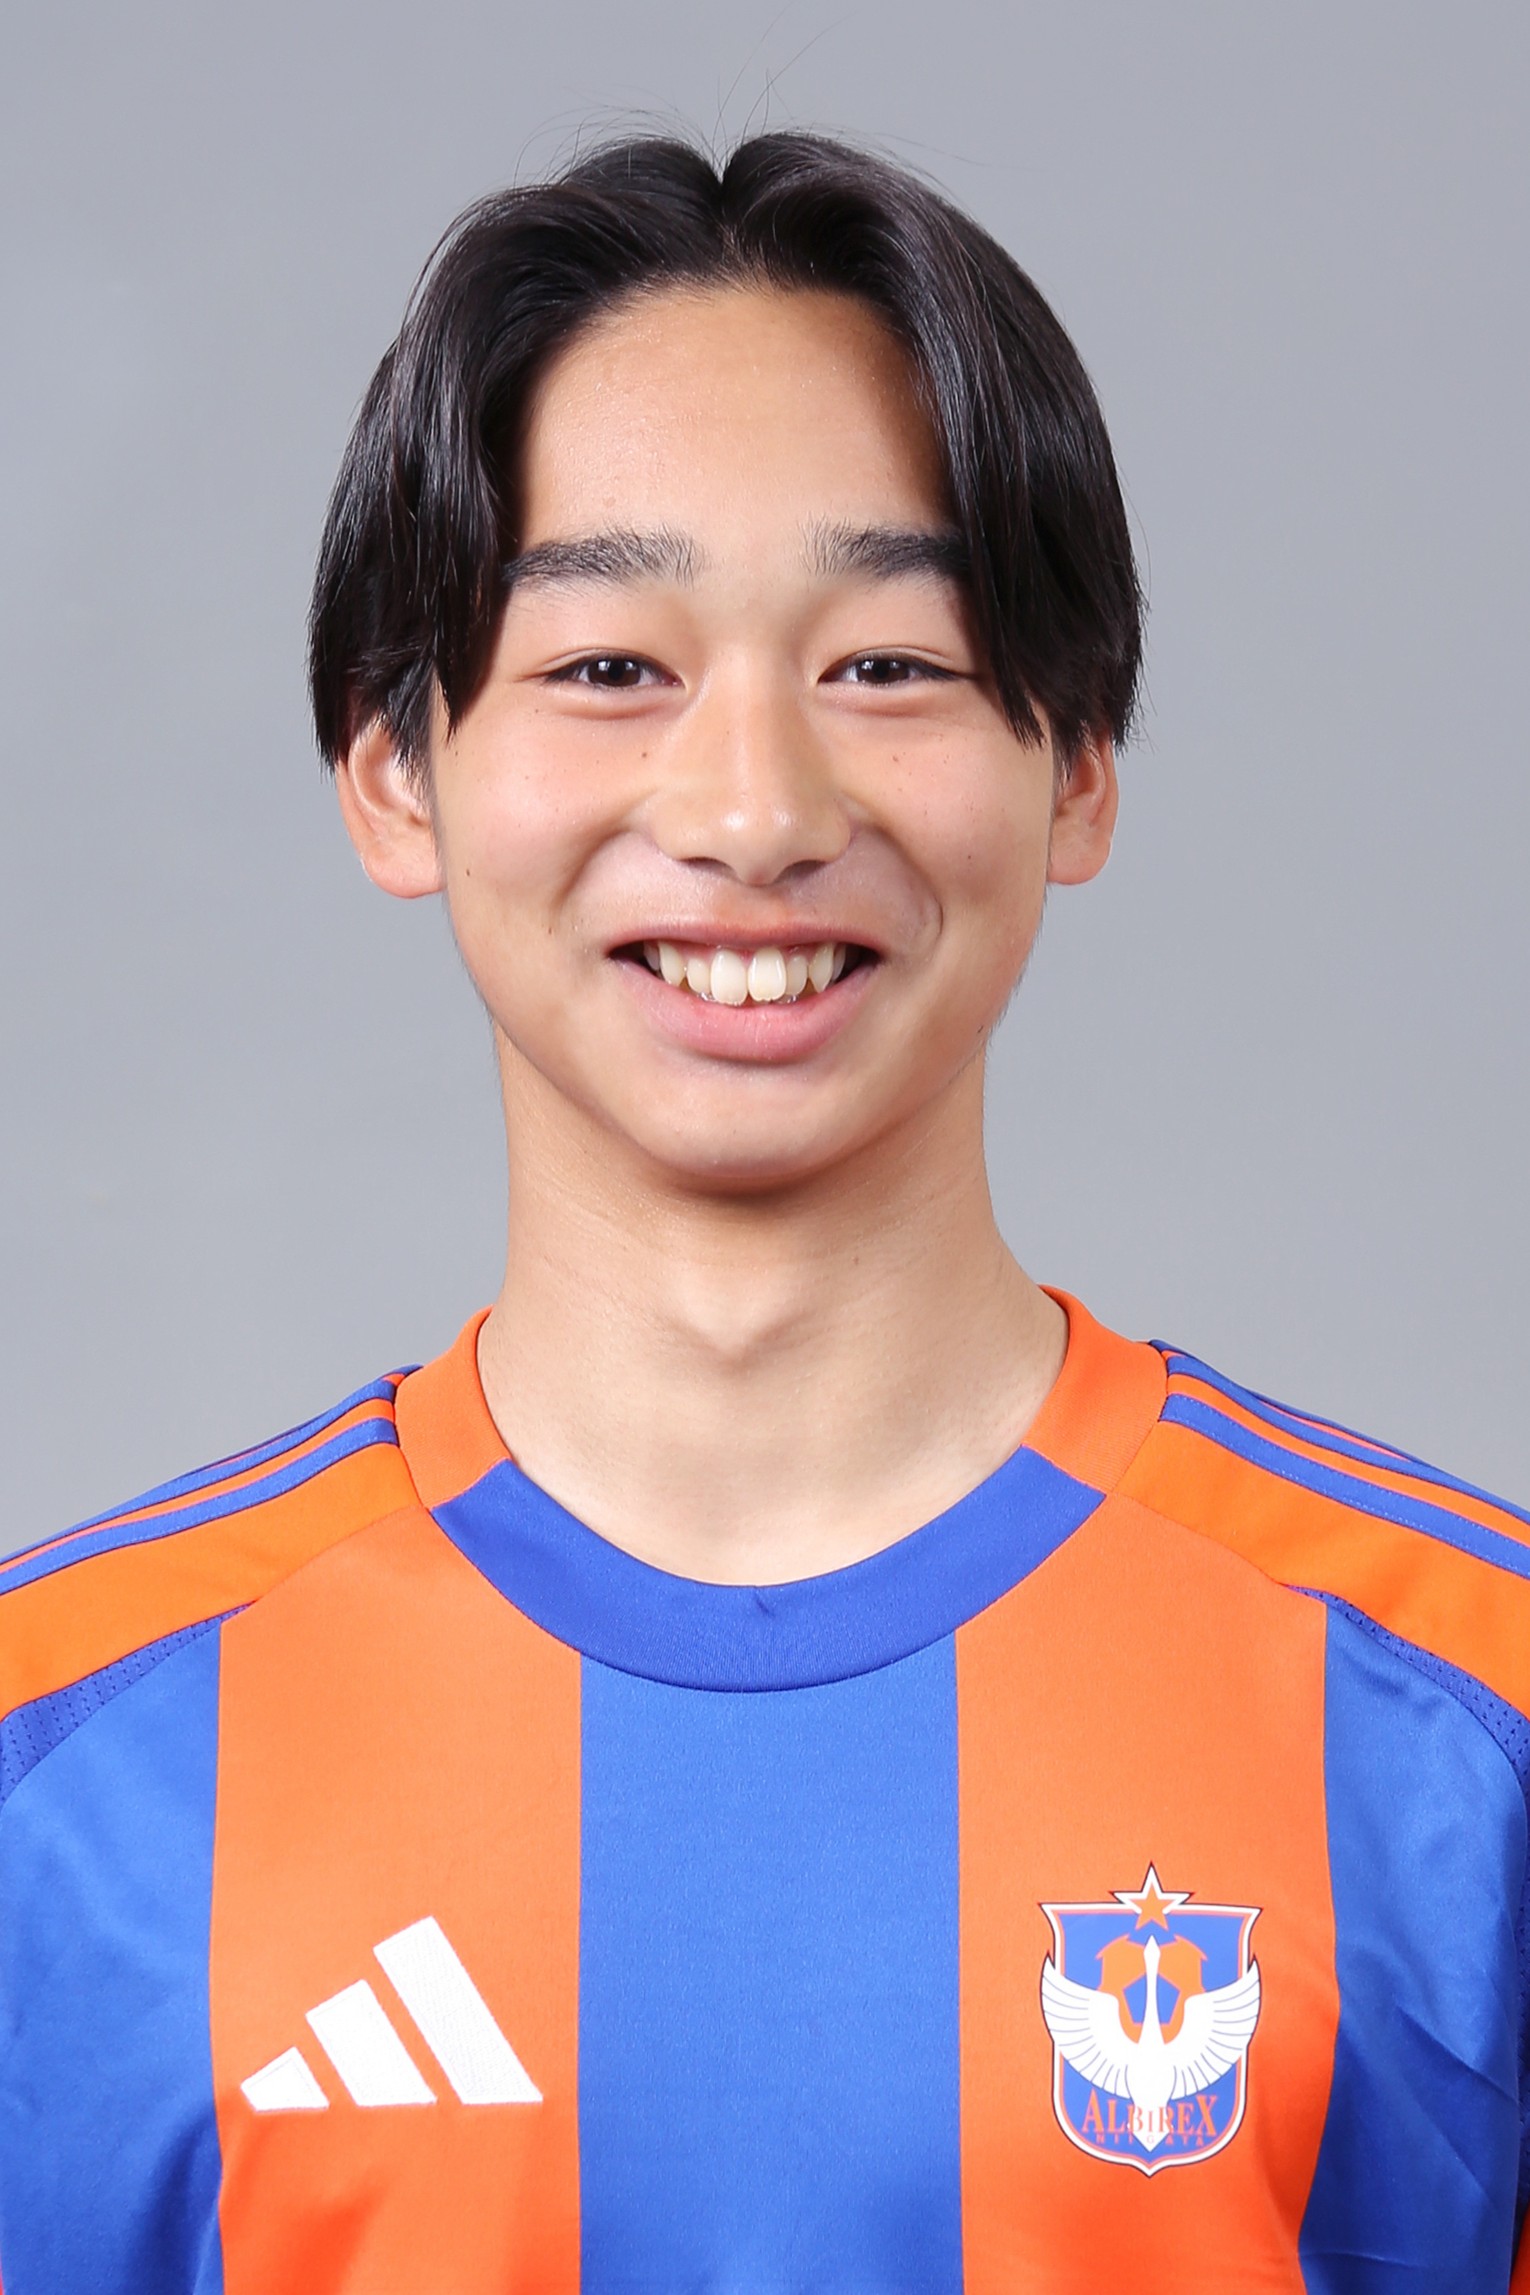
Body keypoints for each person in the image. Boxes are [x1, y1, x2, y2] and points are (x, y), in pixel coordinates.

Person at [0, 130, 1524, 2295]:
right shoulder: (61, 1760)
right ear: (395, 769)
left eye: (886, 663)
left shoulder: (1467, 1719)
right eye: (609, 666)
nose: (752, 808)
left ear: (1079, 763)